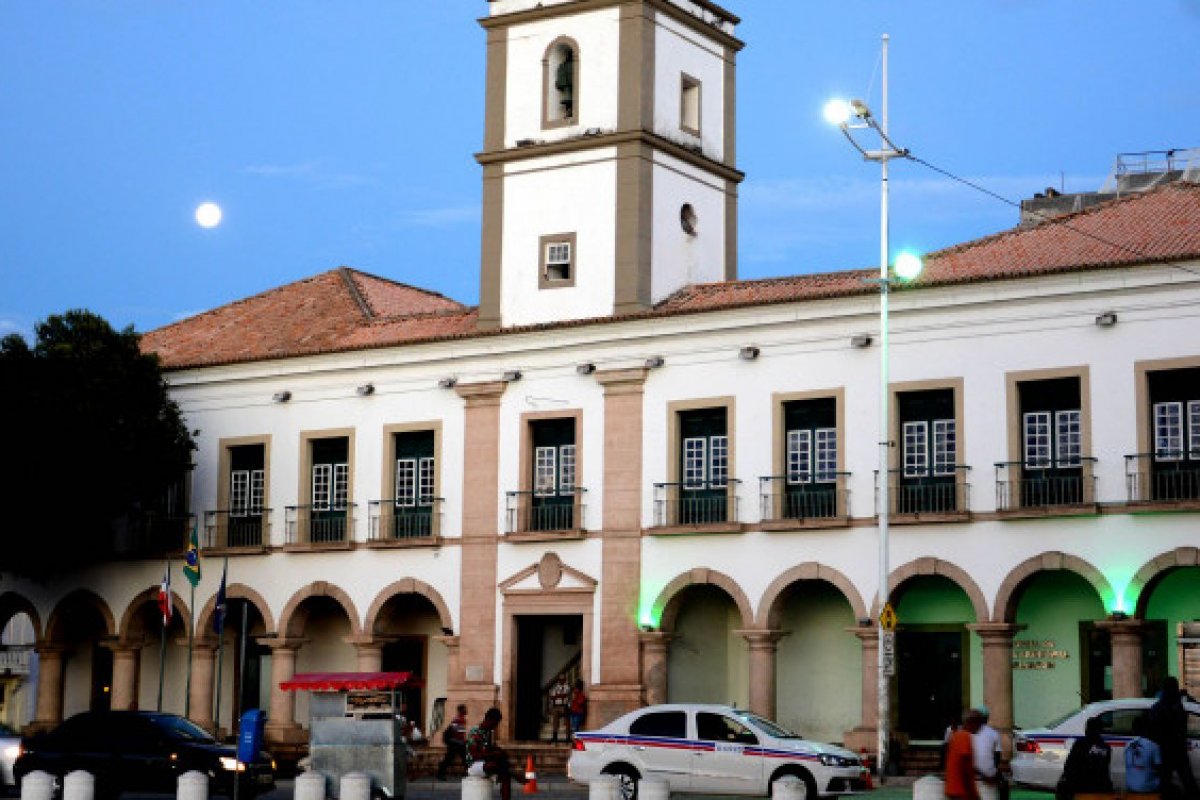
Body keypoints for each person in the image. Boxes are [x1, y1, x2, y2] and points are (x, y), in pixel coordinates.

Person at [1148, 676, 1199, 799]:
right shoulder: (1178, 705)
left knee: (1166, 781)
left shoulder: (1158, 707)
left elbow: (1152, 726)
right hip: (1178, 749)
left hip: (1165, 749)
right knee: (1188, 781)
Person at [466, 707, 525, 800]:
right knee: (493, 765)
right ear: (488, 719)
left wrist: (500, 751)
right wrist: (493, 754)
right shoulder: (475, 733)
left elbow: (490, 748)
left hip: (486, 762)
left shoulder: (488, 732)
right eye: (495, 723)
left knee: (505, 775)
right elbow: (474, 755)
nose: (495, 726)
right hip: (473, 765)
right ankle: (513, 773)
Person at [1058, 716, 1112, 800]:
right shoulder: (1106, 748)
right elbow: (1105, 771)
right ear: (1100, 730)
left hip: (1080, 788)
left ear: (1087, 729)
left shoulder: (1080, 743)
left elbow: (1069, 766)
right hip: (1099, 789)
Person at [946, 708, 984, 800]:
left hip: (954, 788)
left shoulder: (956, 736)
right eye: (979, 724)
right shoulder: (965, 736)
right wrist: (973, 793)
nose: (980, 728)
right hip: (961, 790)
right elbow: (965, 767)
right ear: (972, 723)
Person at [973, 707, 1008, 800]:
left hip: (972, 774)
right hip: (988, 775)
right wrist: (995, 773)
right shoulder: (994, 733)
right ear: (987, 718)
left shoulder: (968, 733)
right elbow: (997, 757)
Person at [1125, 714, 1162, 795]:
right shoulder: (1154, 746)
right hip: (1149, 788)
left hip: (1130, 787)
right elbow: (1160, 770)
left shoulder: (1128, 744)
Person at [437, 703, 469, 781]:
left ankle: (468, 772)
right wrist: (463, 740)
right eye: (465, 709)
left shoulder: (460, 719)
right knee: (450, 758)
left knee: (463, 757)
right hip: (455, 743)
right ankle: (440, 773)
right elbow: (457, 732)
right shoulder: (458, 719)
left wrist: (463, 740)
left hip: (457, 742)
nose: (466, 710)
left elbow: (460, 732)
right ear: (461, 710)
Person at [549, 675, 571, 744]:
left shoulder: (567, 687)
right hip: (556, 706)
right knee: (555, 722)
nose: (561, 681)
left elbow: (565, 695)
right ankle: (555, 737)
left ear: (565, 680)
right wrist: (559, 696)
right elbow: (552, 697)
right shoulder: (556, 687)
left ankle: (568, 737)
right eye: (560, 680)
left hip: (564, 706)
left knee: (567, 722)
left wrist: (557, 696)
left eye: (563, 679)